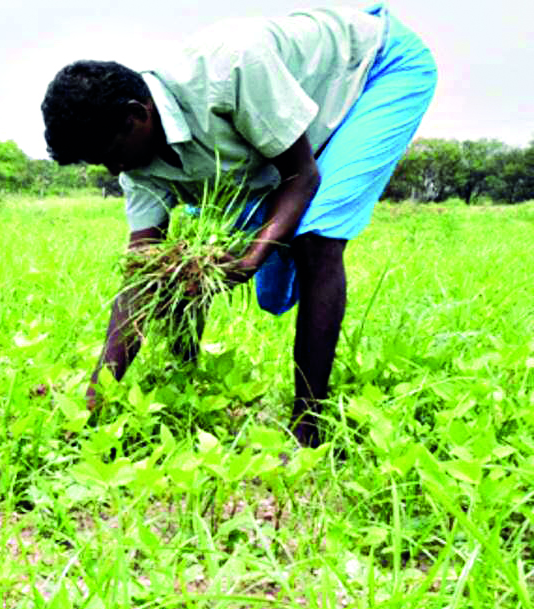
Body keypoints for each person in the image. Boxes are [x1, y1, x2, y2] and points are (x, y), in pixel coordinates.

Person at [40, 4, 436, 446]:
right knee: (178, 259)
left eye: (110, 153)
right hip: (300, 121)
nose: (115, 170)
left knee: (315, 239)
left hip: (374, 68)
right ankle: (184, 377)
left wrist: (252, 257)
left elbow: (300, 176)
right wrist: (95, 398)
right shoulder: (133, 162)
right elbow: (141, 276)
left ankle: (308, 429)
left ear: (138, 114)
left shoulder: (231, 68)